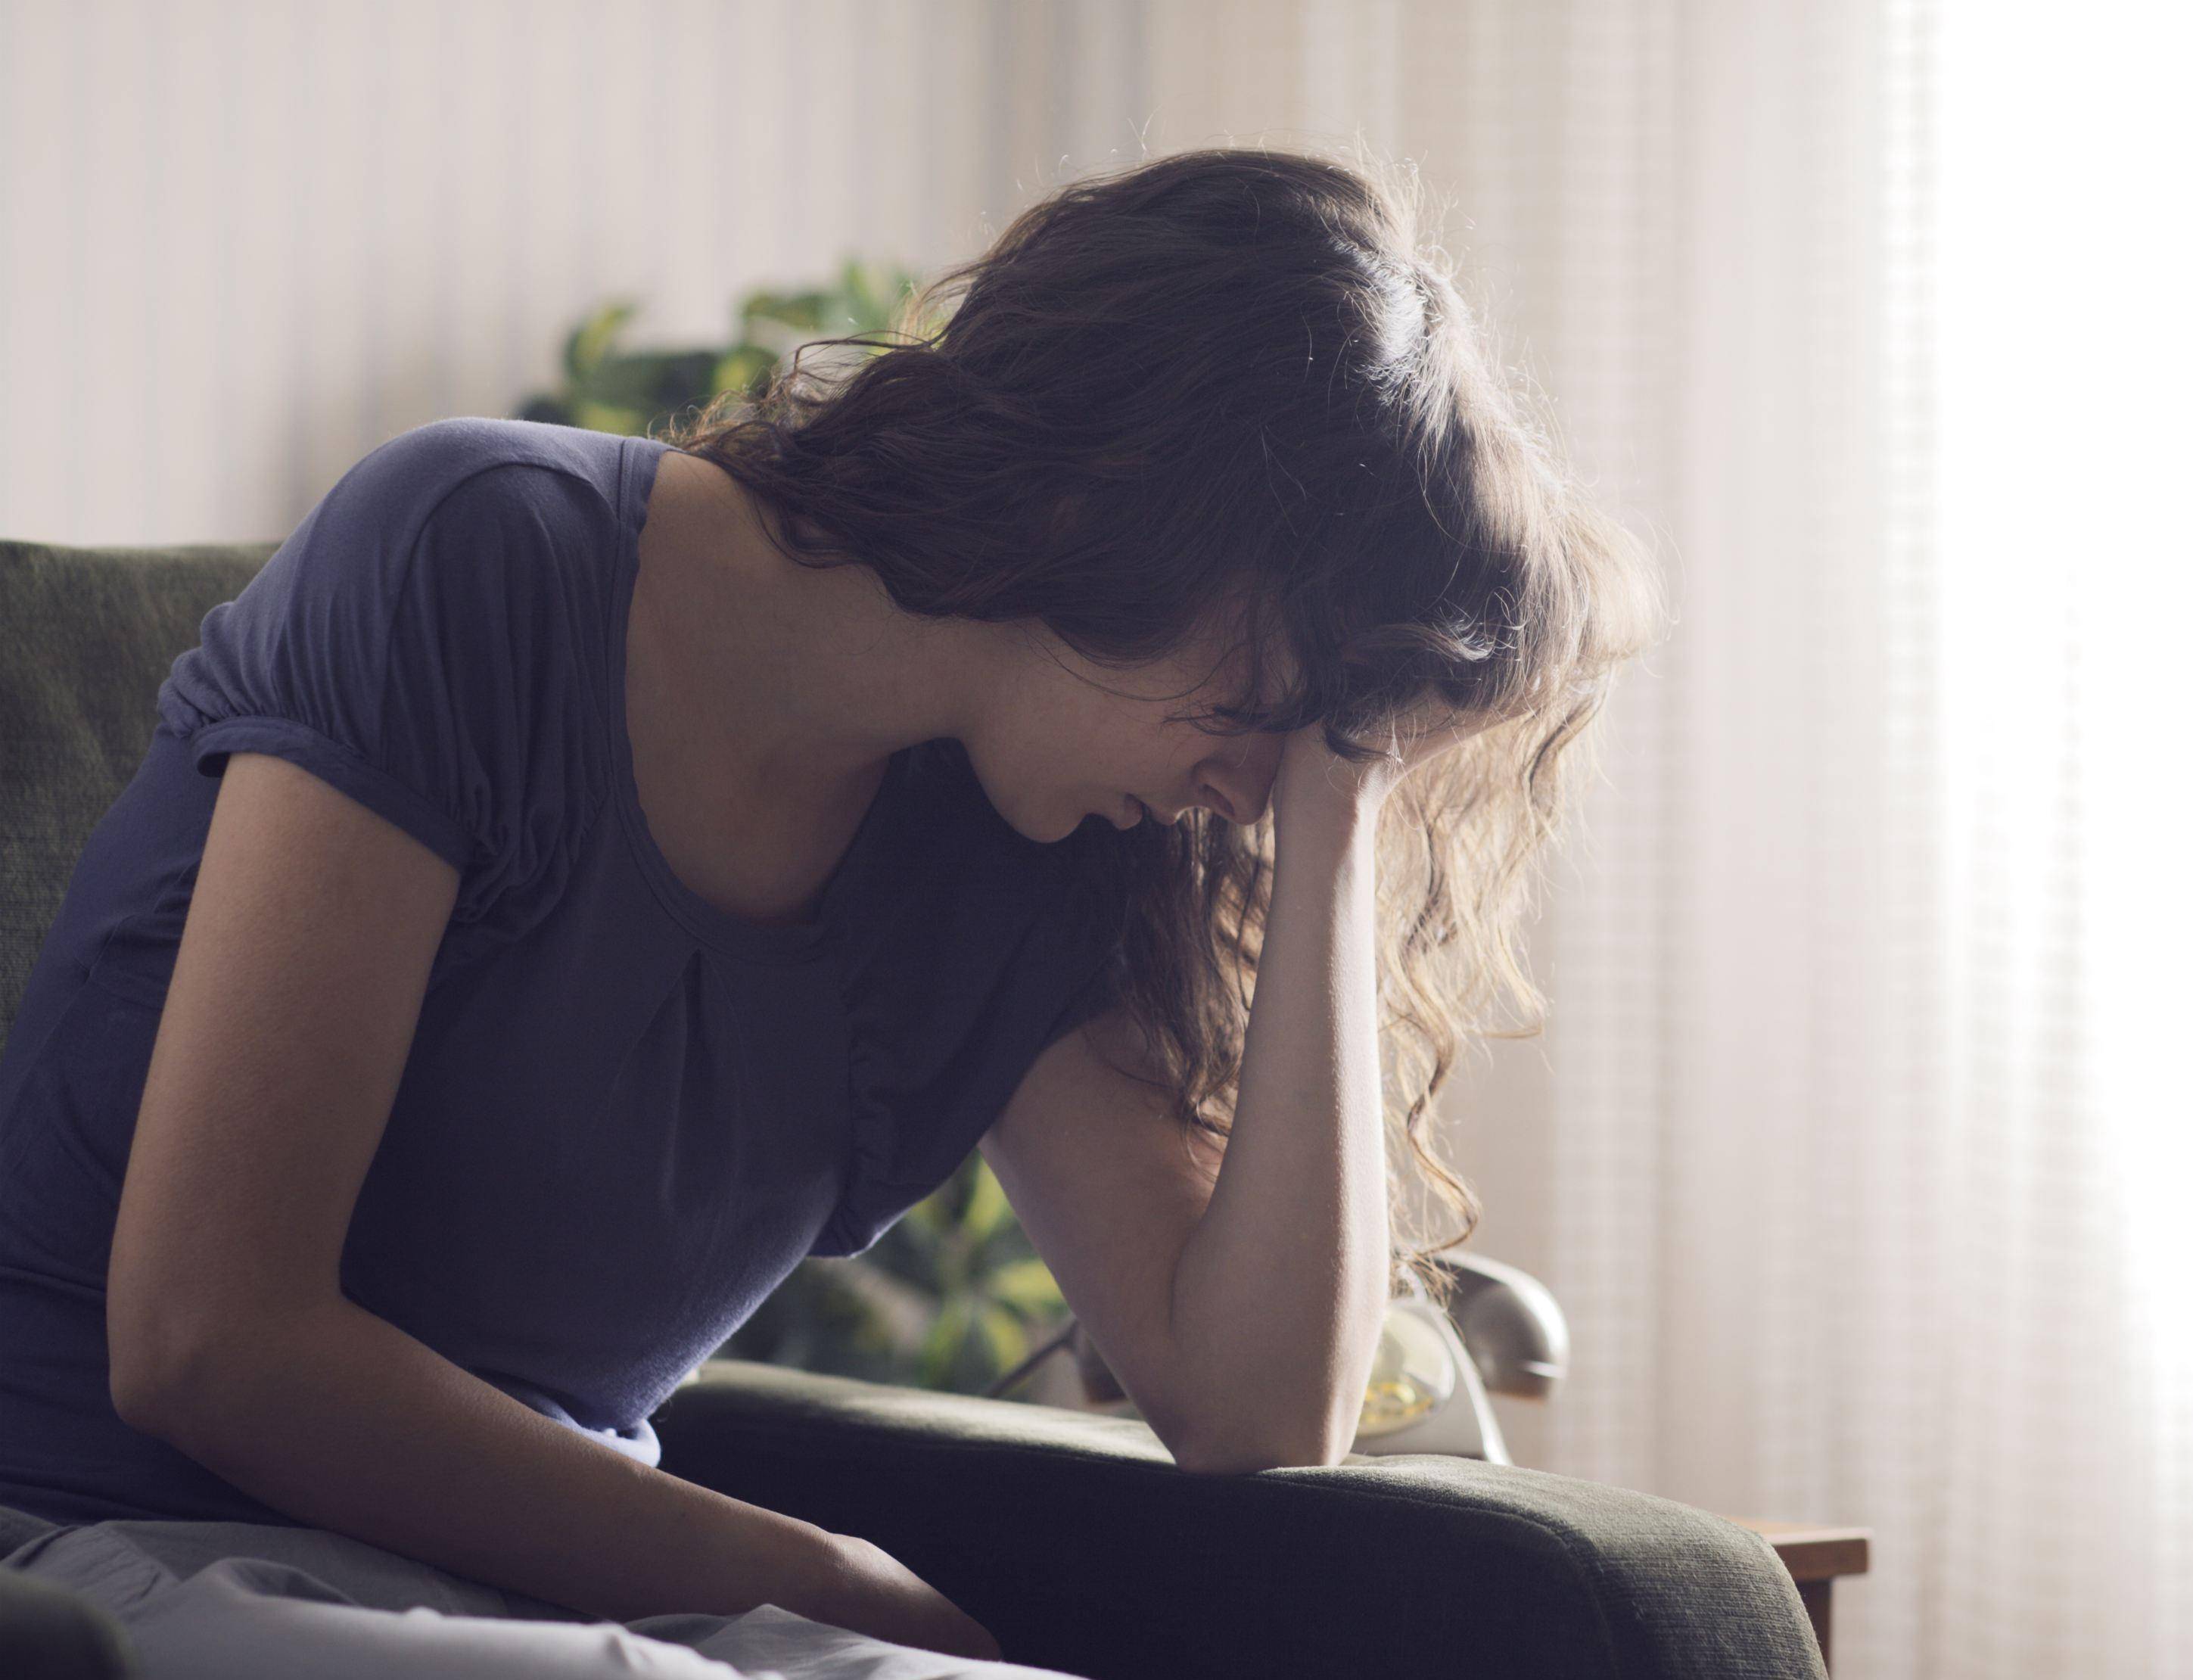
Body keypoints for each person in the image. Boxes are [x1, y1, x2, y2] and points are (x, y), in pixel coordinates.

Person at [0, 142, 1666, 1676]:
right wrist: (841, 1583)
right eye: (1269, 697)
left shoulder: (1038, 848)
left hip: (570, 1613)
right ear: (1115, 517)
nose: (1246, 781)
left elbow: (1255, 1412)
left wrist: (1339, 802)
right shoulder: (474, 559)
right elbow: (213, 1343)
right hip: (125, 1557)